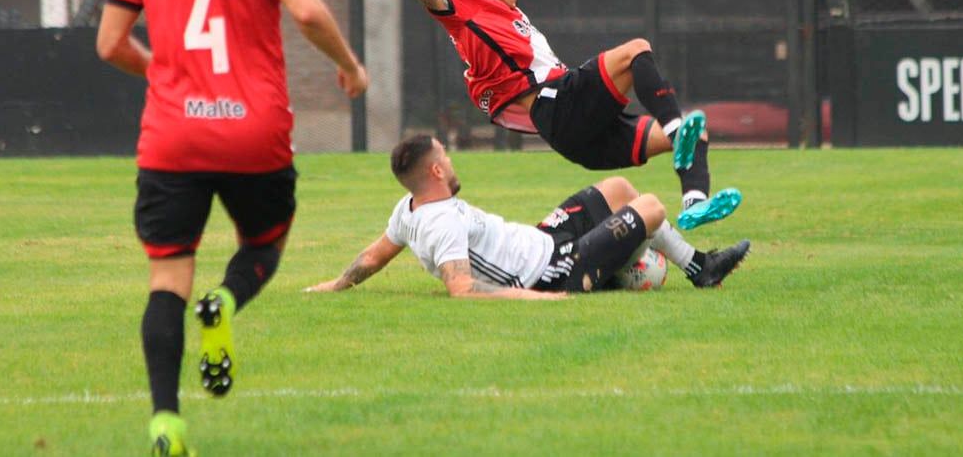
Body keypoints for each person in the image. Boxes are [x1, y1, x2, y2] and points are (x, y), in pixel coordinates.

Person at [97, 0, 368, 457]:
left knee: (166, 278)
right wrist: (350, 66)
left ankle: (166, 423)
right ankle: (223, 302)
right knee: (264, 246)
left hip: (173, 135)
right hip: (254, 133)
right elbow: (304, 11)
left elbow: (109, 44)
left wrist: (164, 74)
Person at [318, 0, 740, 231]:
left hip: (572, 136)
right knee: (637, 52)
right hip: (557, 105)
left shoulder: (508, 13)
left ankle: (694, 203)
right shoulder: (465, 9)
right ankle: (677, 129)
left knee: (693, 134)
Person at [305, 135, 750, 298]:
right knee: (650, 206)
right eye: (447, 156)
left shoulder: (410, 209)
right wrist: (539, 298)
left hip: (545, 239)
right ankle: (700, 269)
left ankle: (665, 266)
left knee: (618, 188)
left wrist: (335, 284)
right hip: (554, 272)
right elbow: (461, 288)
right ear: (437, 171)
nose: (452, 159)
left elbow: (376, 254)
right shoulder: (442, 223)